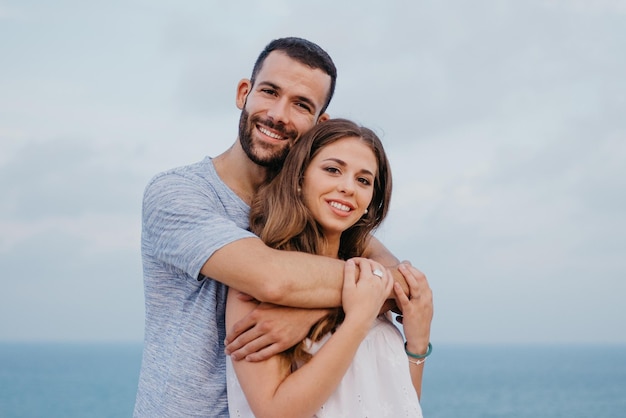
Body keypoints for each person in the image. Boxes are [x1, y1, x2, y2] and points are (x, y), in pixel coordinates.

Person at [134, 37, 430, 417]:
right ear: (244, 92)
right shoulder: (179, 194)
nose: (278, 114)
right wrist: (353, 300)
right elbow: (273, 280)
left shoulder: (318, 217)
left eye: (301, 105)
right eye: (270, 92)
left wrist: (306, 316)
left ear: (318, 125)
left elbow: (401, 282)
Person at [226, 118, 432, 417]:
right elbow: (274, 412)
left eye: (363, 180)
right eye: (333, 170)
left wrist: (417, 345)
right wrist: (357, 320)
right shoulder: (258, 284)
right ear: (299, 179)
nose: (348, 187)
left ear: (370, 202)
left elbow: (400, 399)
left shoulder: (369, 278)